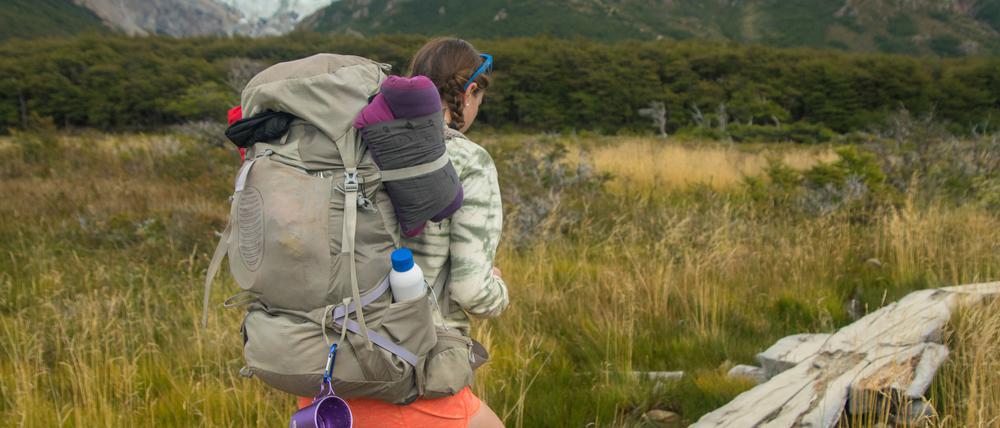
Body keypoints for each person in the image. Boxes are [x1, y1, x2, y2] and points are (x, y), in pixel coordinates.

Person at [297, 38, 508, 428]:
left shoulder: (357, 149)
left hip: (329, 374)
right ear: (469, 92)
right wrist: (497, 288)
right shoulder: (470, 160)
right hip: (413, 372)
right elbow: (471, 292)